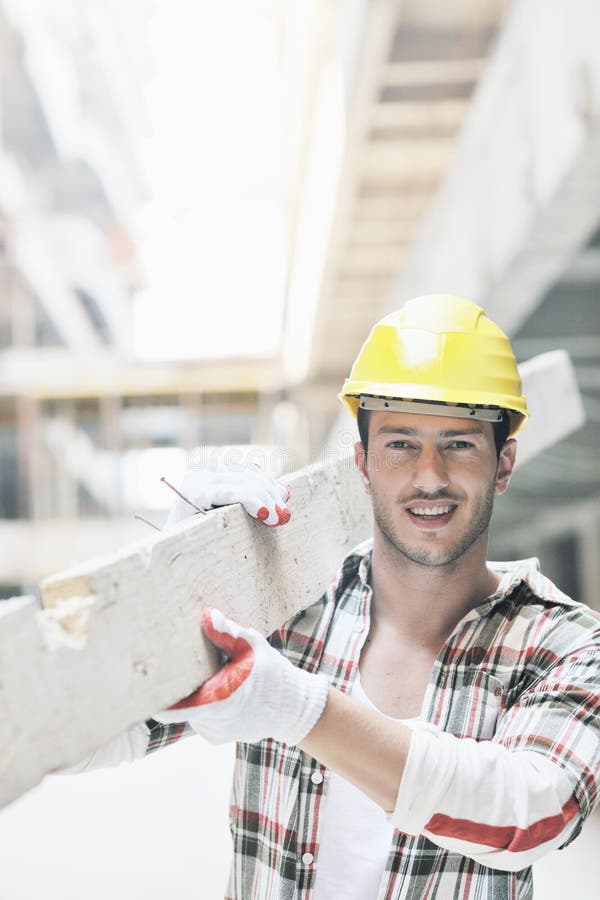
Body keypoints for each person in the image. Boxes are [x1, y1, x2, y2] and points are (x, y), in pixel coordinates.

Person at [75, 295, 600, 899]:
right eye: (401, 444)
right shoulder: (294, 609)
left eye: (459, 444)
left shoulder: (565, 646)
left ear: (504, 463)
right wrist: (170, 587)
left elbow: (527, 818)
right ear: (363, 462)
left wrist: (300, 709)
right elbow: (92, 738)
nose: (429, 475)